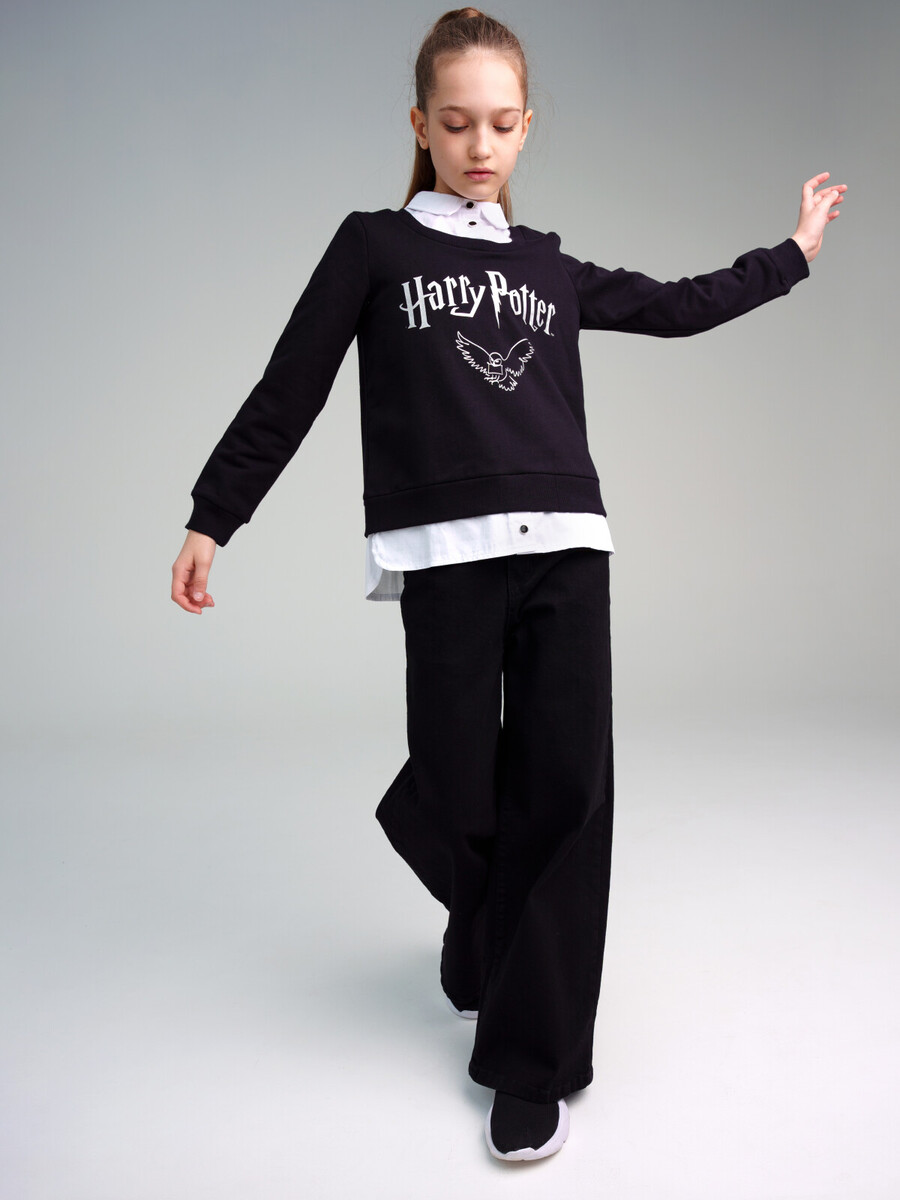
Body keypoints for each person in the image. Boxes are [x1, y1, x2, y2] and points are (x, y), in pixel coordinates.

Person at [170, 7, 846, 1163]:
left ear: (527, 127)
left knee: (565, 801)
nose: (478, 145)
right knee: (456, 790)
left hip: (568, 549)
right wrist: (213, 515)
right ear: (419, 126)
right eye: (455, 123)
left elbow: (673, 307)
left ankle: (533, 1065)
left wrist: (790, 255)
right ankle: (482, 923)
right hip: (445, 559)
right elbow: (291, 385)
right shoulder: (374, 249)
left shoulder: (547, 265)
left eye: (499, 123)